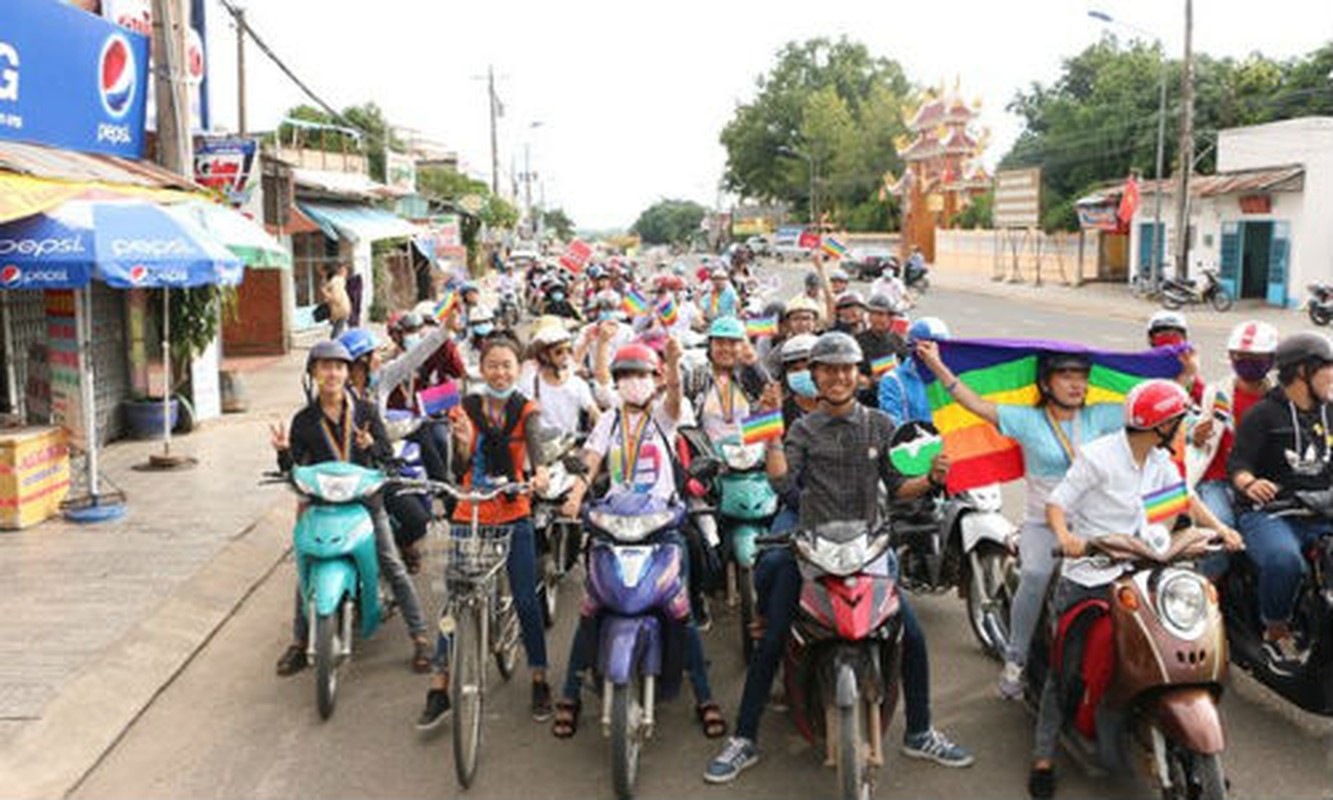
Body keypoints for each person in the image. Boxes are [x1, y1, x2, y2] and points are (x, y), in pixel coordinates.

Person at [704, 332, 972, 784]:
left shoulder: (882, 425)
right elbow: (782, 486)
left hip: (870, 547)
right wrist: (770, 437)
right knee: (771, 643)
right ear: (815, 376)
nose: (838, 377)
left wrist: (929, 480)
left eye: (846, 368)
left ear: (858, 375)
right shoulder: (802, 430)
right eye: (828, 369)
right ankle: (745, 738)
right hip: (811, 549)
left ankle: (920, 731)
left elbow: (898, 485)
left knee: (913, 636)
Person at [1029, 379, 1240, 799]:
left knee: (1179, 637)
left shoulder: (1160, 462)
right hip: (1091, 575)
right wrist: (1065, 537)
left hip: (1144, 570)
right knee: (1068, 668)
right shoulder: (1099, 458)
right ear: (1159, 425)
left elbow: (1184, 501)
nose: (1184, 428)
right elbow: (1058, 504)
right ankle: (1043, 755)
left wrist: (1219, 529)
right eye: (1179, 421)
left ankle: (1181, 736)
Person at [915, 341, 1126, 700]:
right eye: (1066, 375)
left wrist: (1183, 376)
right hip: (1044, 526)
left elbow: (1148, 412)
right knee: (1035, 575)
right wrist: (938, 367)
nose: (1076, 383)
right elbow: (975, 404)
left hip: (1097, 525)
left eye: (1082, 376)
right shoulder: (1028, 419)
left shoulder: (1101, 415)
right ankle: (1017, 658)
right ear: (1046, 383)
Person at [551, 341, 725, 740]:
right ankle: (571, 693)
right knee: (592, 607)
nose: (633, 382)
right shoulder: (608, 421)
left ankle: (703, 695)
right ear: (617, 381)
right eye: (626, 375)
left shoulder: (663, 416)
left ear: (654, 379)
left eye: (641, 375)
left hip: (661, 526)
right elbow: (590, 463)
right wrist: (576, 496)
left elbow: (677, 400)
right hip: (613, 526)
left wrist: (675, 364)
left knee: (680, 609)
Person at [271, 340, 431, 677]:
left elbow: (388, 459)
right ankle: (300, 643)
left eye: (339, 366)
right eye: (325, 366)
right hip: (323, 506)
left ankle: (420, 637)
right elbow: (296, 469)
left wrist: (372, 446)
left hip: (365, 504)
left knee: (392, 563)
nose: (333, 373)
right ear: (313, 373)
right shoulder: (303, 421)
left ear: (348, 372)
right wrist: (284, 453)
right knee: (306, 568)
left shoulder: (367, 411)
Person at [416, 335, 553, 729]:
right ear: (482, 367)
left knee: (526, 599)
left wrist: (540, 473)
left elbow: (536, 449)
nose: (500, 372)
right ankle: (439, 687)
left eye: (507, 364)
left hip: (513, 509)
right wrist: (460, 442)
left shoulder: (526, 409)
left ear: (518, 367)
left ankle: (539, 678)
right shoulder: (467, 408)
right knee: (454, 601)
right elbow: (458, 461)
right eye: (492, 364)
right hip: (470, 510)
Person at [1230, 331, 1333, 673]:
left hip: (1321, 510)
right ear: (1302, 371)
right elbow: (1238, 465)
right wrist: (1251, 482)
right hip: (1271, 514)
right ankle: (1276, 630)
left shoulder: (1329, 413)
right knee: (1284, 560)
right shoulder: (1262, 415)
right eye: (1327, 367)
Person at [1189, 321, 1279, 576]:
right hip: (1217, 481)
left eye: (1256, 357)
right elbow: (1201, 439)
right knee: (1221, 530)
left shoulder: (1278, 397)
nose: (1247, 362)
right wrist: (1197, 437)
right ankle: (1206, 592)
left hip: (1261, 480)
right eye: (1240, 356)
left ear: (1271, 359)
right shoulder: (1217, 393)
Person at [520, 319, 601, 437]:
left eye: (568, 350)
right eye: (559, 352)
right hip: (540, 447)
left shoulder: (577, 384)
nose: (566, 356)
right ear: (544, 356)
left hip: (569, 445)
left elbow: (593, 411)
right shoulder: (529, 384)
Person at [878, 317, 950, 426]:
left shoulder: (953, 378)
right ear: (914, 348)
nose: (936, 354)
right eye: (929, 348)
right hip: (915, 441)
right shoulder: (893, 380)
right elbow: (893, 423)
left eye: (943, 348)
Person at [322, 264, 352, 339]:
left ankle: (336, 346)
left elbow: (336, 297)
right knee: (339, 328)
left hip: (340, 310)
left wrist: (326, 294)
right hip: (341, 309)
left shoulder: (336, 281)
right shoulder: (338, 281)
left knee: (336, 332)